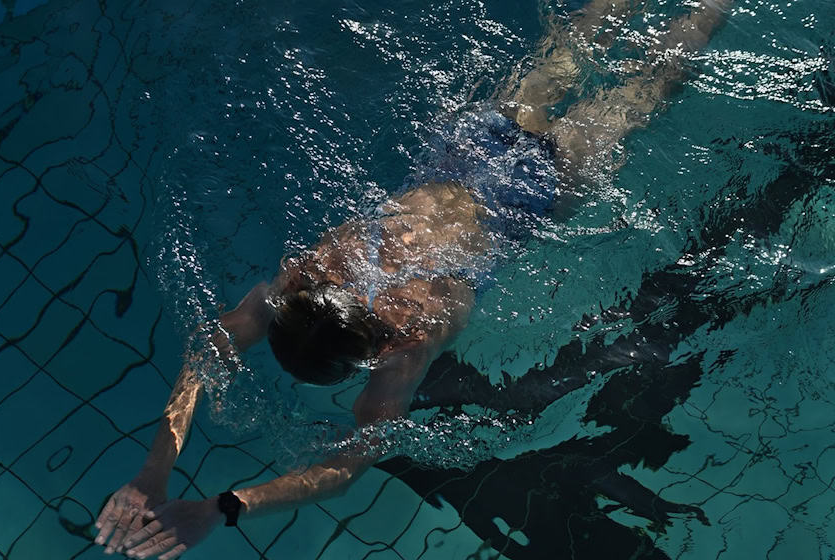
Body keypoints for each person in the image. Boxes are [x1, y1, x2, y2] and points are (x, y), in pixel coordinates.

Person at [93, 1, 733, 558]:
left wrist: (222, 507)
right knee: (564, 53)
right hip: (468, 148)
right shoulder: (308, 278)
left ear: (359, 359)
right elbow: (212, 344)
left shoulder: (401, 350)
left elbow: (342, 470)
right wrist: (156, 468)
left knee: (648, 86)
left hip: (533, 197)